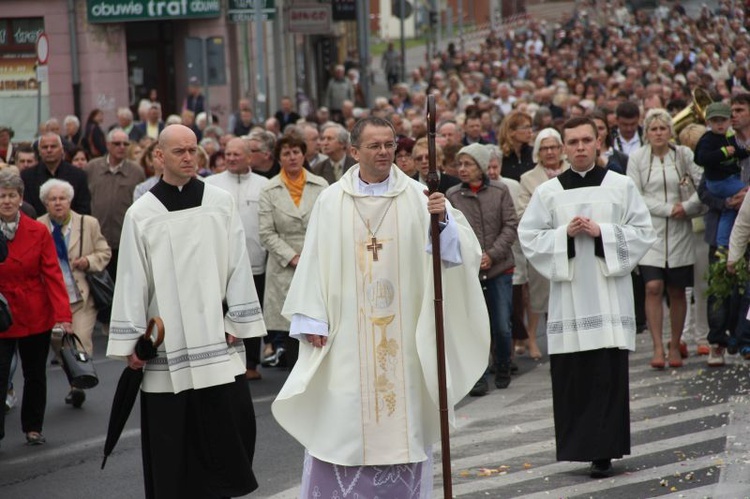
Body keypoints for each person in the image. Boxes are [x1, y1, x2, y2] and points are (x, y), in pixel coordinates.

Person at [272, 117, 489, 497]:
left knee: (402, 417)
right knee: (341, 422)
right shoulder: (331, 201)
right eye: (375, 146)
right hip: (346, 335)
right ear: (354, 152)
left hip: (402, 335)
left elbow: (460, 254)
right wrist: (310, 317)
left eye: (390, 145)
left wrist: (441, 225)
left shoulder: (422, 197)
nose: (385, 152)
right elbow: (314, 262)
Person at [107, 125, 266, 498]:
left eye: (193, 150)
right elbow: (132, 280)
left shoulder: (219, 201)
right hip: (167, 347)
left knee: (228, 438)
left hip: (215, 340)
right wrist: (134, 343)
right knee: (172, 448)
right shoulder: (141, 213)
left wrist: (238, 321)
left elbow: (238, 265)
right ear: (158, 156)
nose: (189, 157)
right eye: (179, 151)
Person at [519, 117, 656, 478]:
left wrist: (602, 233)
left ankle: (604, 452)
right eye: (572, 142)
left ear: (599, 143)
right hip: (570, 297)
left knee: (607, 374)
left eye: (585, 140)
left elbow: (644, 232)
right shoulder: (548, 192)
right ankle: (579, 446)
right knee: (575, 376)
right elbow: (529, 237)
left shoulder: (621, 186)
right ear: (563, 147)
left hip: (609, 297)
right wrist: (565, 233)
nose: (579, 147)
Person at [0, 170, 73, 447]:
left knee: (34, 373)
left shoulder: (38, 230)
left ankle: (33, 427)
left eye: (12, 196)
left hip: (34, 310)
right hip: (2, 312)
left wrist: (63, 315)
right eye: (2, 196)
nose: (6, 201)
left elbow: (53, 273)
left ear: (20, 199)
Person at [627, 109, 704, 369]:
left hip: (681, 232)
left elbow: (702, 185)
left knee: (677, 290)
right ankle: (658, 346)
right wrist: (668, 209)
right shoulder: (637, 158)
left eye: (663, 128)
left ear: (670, 131)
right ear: (646, 132)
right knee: (653, 287)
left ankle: (674, 345)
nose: (658, 133)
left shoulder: (683, 155)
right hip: (651, 233)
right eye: (653, 129)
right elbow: (635, 195)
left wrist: (688, 207)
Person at [447, 143, 517, 393]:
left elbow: (510, 225)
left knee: (500, 322)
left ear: (482, 166)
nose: (462, 169)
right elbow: (453, 230)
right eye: (460, 164)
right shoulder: (453, 195)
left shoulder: (500, 190)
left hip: (499, 268)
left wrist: (492, 255)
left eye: (468, 164)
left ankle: (503, 365)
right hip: (470, 270)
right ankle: (478, 373)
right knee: (475, 322)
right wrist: (474, 257)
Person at [37, 179, 111, 408]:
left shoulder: (87, 223)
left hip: (82, 296)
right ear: (45, 203)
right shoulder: (39, 226)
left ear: (69, 200)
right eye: (53, 199)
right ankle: (74, 377)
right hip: (52, 299)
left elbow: (104, 252)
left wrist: (87, 261)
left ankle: (78, 386)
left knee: (80, 340)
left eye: (62, 198)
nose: (58, 203)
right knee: (59, 343)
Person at [258, 135, 328, 369]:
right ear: (279, 159)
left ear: (304, 155)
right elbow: (266, 232)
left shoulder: (321, 185)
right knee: (290, 327)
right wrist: (293, 257)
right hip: (284, 264)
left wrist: (310, 256)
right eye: (286, 153)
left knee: (318, 320)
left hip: (317, 259)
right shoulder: (269, 189)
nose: (292, 157)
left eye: (296, 152)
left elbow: (331, 223)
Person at [205, 137, 270, 380]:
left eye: (236, 154)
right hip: (220, 263)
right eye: (228, 154)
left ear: (249, 157)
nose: (231, 158)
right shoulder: (210, 184)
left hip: (255, 262)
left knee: (252, 312)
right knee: (222, 312)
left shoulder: (264, 185)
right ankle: (222, 360)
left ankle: (251, 364)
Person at [517, 128, 569, 360]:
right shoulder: (528, 179)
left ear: (561, 149)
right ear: (538, 152)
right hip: (543, 241)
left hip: (571, 238)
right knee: (539, 293)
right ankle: (531, 338)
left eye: (553, 147)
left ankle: (566, 337)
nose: (549, 152)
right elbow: (522, 210)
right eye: (545, 148)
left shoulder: (572, 171)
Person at [85, 128, 145, 285]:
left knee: (125, 283)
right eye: (117, 143)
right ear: (107, 145)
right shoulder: (92, 168)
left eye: (126, 144)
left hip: (124, 238)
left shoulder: (136, 171)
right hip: (98, 238)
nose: (122, 147)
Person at [694, 102, 750, 248]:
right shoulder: (710, 139)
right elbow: (703, 191)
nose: (736, 115)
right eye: (715, 121)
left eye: (740, 110)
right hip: (719, 206)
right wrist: (726, 203)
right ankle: (722, 244)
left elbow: (739, 152)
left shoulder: (728, 139)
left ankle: (722, 244)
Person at [21, 133, 91, 216]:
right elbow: (26, 208)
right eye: (45, 147)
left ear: (62, 150)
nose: (49, 150)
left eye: (53, 146)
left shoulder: (79, 175)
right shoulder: (27, 176)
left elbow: (84, 208)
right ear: (39, 151)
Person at [498, 110, 535, 182]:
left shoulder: (534, 153)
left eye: (530, 127)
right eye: (525, 127)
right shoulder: (500, 156)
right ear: (511, 131)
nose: (530, 131)